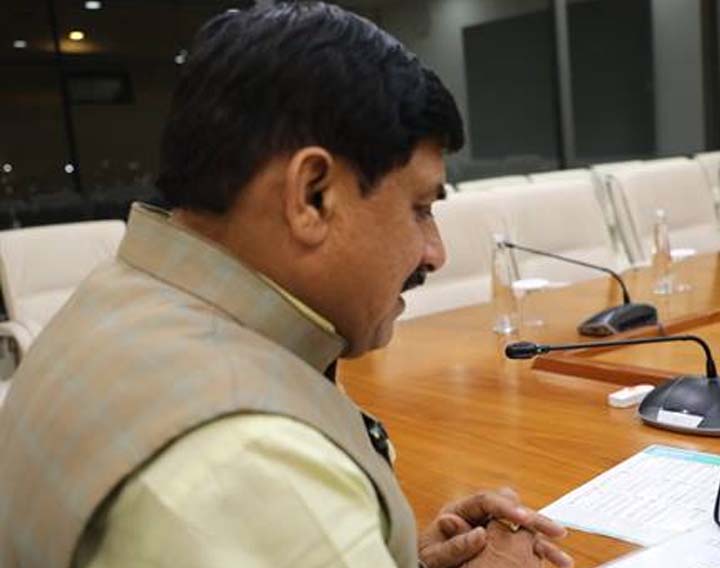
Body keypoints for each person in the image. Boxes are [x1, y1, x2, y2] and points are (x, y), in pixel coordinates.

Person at [0, 3, 572, 567]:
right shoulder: (251, 465)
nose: (436, 252)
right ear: (312, 196)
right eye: (420, 207)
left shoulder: (114, 301)